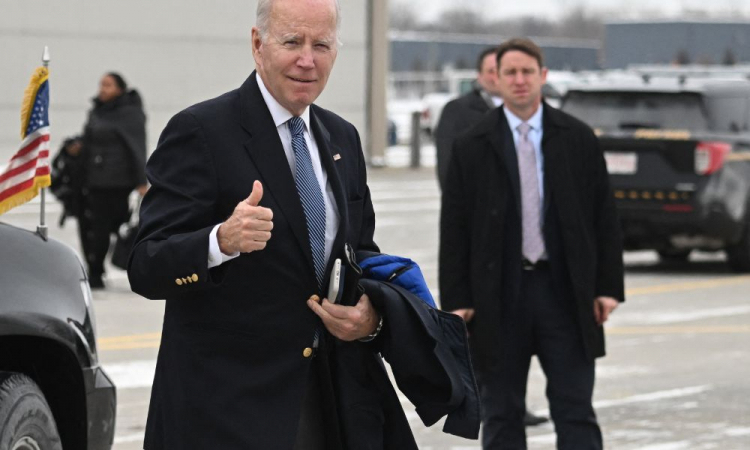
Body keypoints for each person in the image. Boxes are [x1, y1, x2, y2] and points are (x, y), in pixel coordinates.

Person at [127, 1, 427, 448]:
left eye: (321, 45)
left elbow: (358, 252)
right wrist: (220, 241)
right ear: (257, 44)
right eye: (292, 42)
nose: (307, 60)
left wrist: (372, 315)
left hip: (330, 396)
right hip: (228, 408)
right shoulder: (201, 131)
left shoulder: (341, 137)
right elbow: (144, 264)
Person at [439, 38, 625, 449]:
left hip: (564, 291)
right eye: (510, 73)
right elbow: (455, 228)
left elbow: (604, 217)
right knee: (501, 412)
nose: (519, 81)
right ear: (496, 80)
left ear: (543, 76)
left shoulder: (577, 138)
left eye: (527, 72)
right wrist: (458, 298)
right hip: (498, 295)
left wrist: (608, 287)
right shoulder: (472, 145)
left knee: (575, 408)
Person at [78, 72, 147, 288]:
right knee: (97, 230)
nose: (102, 89)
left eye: (108, 85)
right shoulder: (97, 111)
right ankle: (96, 273)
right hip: (96, 183)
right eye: (101, 85)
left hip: (121, 184)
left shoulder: (130, 113)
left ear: (120, 88)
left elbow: (137, 147)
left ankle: (138, 268)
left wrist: (142, 181)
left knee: (125, 229)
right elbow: (89, 141)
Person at [435, 46, 502, 190]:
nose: (496, 75)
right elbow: (447, 168)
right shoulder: (456, 111)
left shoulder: (526, 112)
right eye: (491, 71)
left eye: (502, 69)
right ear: (479, 75)